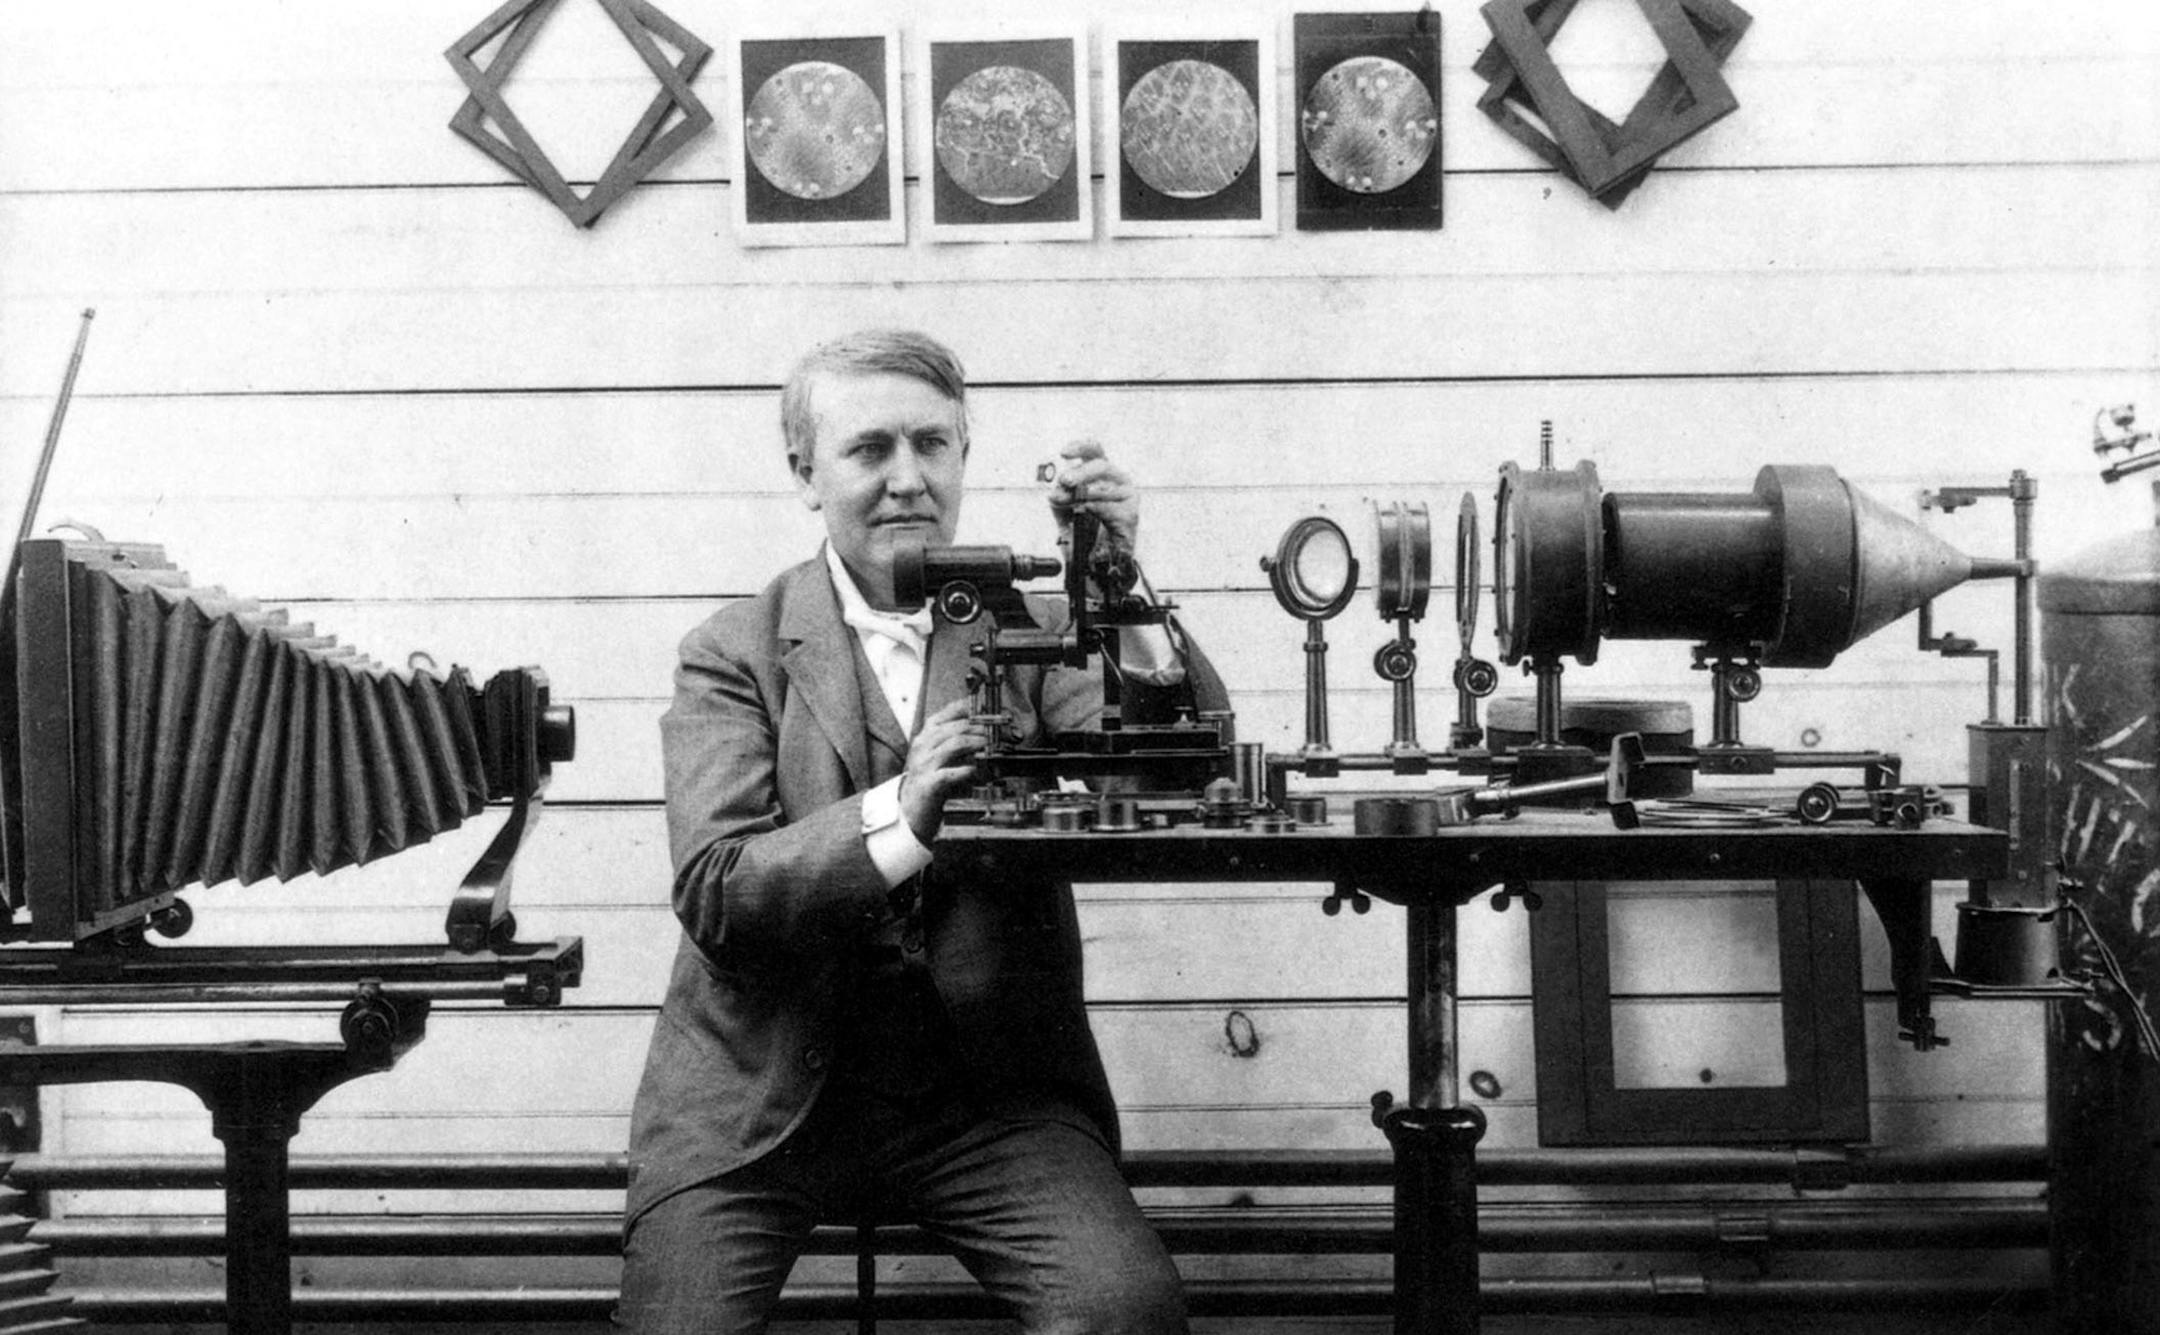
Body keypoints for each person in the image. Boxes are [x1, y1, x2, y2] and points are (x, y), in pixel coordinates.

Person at [617, 328, 1227, 1333]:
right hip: (756, 1100)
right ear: (805, 474)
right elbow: (720, 888)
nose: (908, 480)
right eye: (869, 450)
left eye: (932, 446)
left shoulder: (1028, 628)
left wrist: (1121, 587)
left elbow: (1184, 768)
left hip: (985, 1100)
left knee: (1124, 1316)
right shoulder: (734, 650)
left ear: (962, 458)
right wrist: (903, 817)